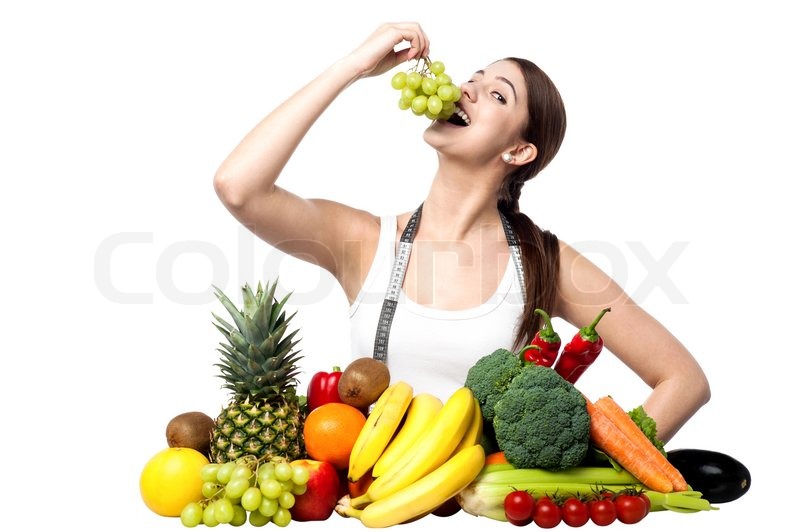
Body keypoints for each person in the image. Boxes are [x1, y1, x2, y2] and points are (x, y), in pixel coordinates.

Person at [213, 22, 710, 442]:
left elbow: (683, 381)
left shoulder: (546, 262)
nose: (466, 87)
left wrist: (595, 470)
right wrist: (354, 68)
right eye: (472, 78)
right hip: (371, 511)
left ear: (519, 151)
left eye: (497, 94)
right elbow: (239, 187)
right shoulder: (365, 242)